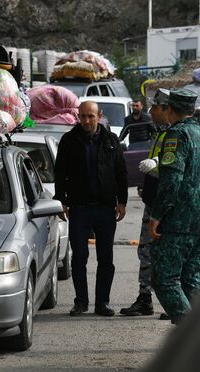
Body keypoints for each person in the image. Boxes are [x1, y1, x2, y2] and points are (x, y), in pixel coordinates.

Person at [54, 101, 128, 317]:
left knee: (106, 259)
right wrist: (62, 200)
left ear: (99, 116)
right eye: (83, 116)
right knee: (79, 257)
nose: (86, 121)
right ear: (78, 116)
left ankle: (102, 303)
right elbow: (60, 173)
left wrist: (122, 201)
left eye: (90, 116)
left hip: (106, 209)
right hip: (79, 208)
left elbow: (121, 173)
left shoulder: (111, 140)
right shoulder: (69, 140)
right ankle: (81, 302)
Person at [147, 88, 200, 325]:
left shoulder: (176, 136)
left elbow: (172, 181)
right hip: (197, 220)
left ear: (170, 109)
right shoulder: (198, 132)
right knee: (191, 279)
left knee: (165, 279)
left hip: (179, 220)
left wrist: (156, 215)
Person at [120, 89, 171, 318]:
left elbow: (175, 165)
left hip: (166, 207)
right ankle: (146, 298)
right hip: (154, 202)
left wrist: (156, 164)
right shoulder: (161, 132)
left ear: (165, 109)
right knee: (146, 252)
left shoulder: (176, 134)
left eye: (154, 107)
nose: (150, 111)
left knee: (164, 254)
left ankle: (172, 303)